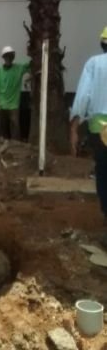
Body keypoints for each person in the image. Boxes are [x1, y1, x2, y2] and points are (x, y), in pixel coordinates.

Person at [69, 26, 107, 246]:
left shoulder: (94, 64)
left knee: (102, 172)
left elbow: (84, 96)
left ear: (102, 44)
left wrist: (75, 126)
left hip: (99, 129)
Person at [0, 46, 31, 140]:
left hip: (13, 105)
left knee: (15, 127)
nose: (9, 58)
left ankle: (16, 147)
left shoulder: (19, 68)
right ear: (3, 57)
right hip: (1, 105)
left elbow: (32, 64)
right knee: (2, 128)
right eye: (6, 56)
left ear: (13, 57)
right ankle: (3, 146)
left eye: (10, 56)